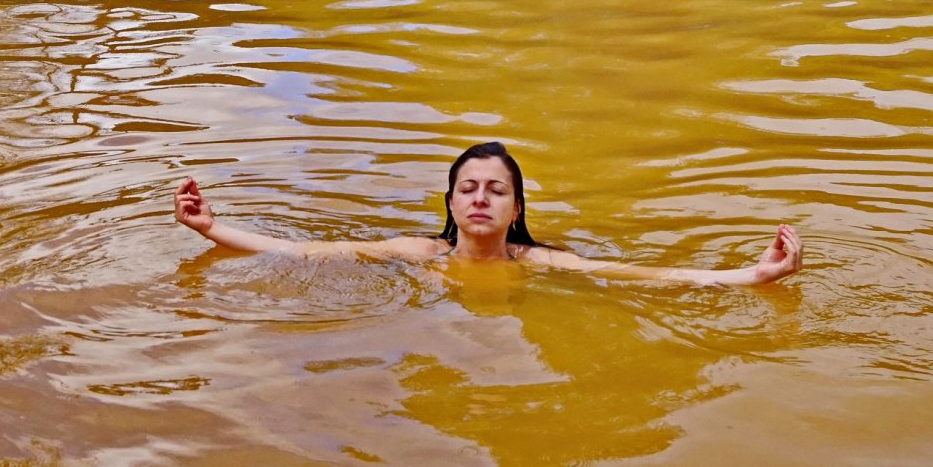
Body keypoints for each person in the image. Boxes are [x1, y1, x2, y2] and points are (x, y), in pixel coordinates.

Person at [174, 142, 803, 286]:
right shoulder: (417, 254)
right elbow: (301, 252)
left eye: (495, 190)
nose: (480, 197)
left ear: (516, 208)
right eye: (467, 187)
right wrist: (211, 229)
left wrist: (748, 277)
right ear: (449, 203)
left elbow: (640, 275)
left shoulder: (542, 262)